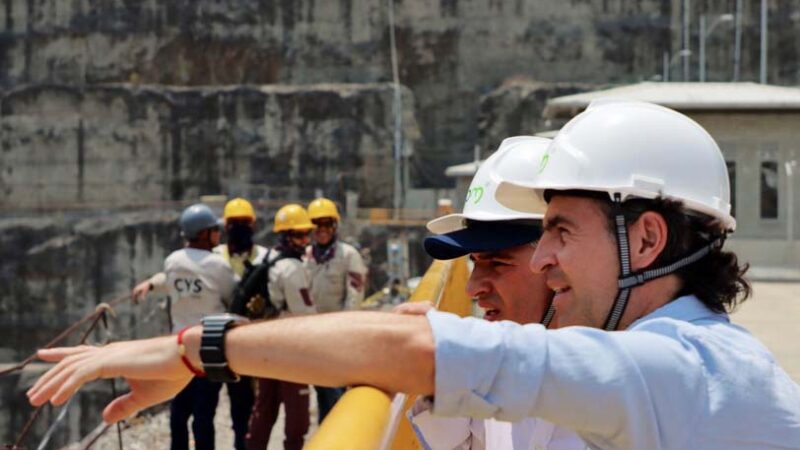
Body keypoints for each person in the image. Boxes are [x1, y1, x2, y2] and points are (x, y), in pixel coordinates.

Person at [29, 102, 800, 449]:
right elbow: (410, 334)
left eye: (560, 232)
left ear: (650, 238)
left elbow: (422, 350)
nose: (544, 260)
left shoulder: (683, 368)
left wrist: (194, 349)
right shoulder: (653, 357)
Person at [400, 136, 585, 449]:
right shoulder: (509, 359)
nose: (473, 287)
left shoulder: (609, 391)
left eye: (498, 263)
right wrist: (439, 374)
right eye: (474, 262)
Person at [131, 203, 236, 450]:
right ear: (203, 233)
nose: (217, 235)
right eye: (213, 230)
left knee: (179, 414)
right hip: (211, 348)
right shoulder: (218, 264)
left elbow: (170, 281)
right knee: (204, 416)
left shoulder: (172, 261)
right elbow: (232, 296)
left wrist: (151, 284)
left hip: (179, 349)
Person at [245, 204, 317, 450]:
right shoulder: (293, 268)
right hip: (290, 347)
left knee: (264, 406)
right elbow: (305, 313)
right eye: (299, 235)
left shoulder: (263, 257)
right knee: (298, 411)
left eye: (306, 234)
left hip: (264, 342)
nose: (305, 241)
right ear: (286, 236)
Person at [304, 197, 367, 422]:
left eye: (326, 224)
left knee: (337, 392)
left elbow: (354, 295)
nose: (322, 231)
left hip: (339, 335)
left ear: (334, 226)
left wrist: (343, 329)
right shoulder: (306, 257)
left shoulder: (348, 255)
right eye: (316, 225)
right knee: (322, 391)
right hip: (313, 335)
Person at [213, 197, 267, 450]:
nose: (239, 228)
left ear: (253, 225)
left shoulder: (265, 258)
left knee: (244, 404)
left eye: (244, 223)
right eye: (234, 223)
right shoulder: (213, 257)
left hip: (248, 341)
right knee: (205, 408)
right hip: (214, 340)